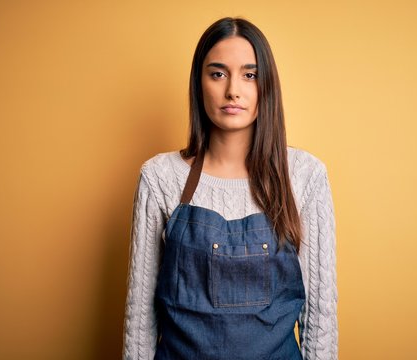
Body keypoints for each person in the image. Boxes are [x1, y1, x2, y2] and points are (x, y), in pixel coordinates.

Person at [123, 17, 337, 360]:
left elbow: (320, 313)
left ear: (266, 86)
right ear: (199, 83)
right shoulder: (160, 177)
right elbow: (139, 313)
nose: (233, 90)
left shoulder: (305, 176)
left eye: (250, 75)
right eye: (218, 73)